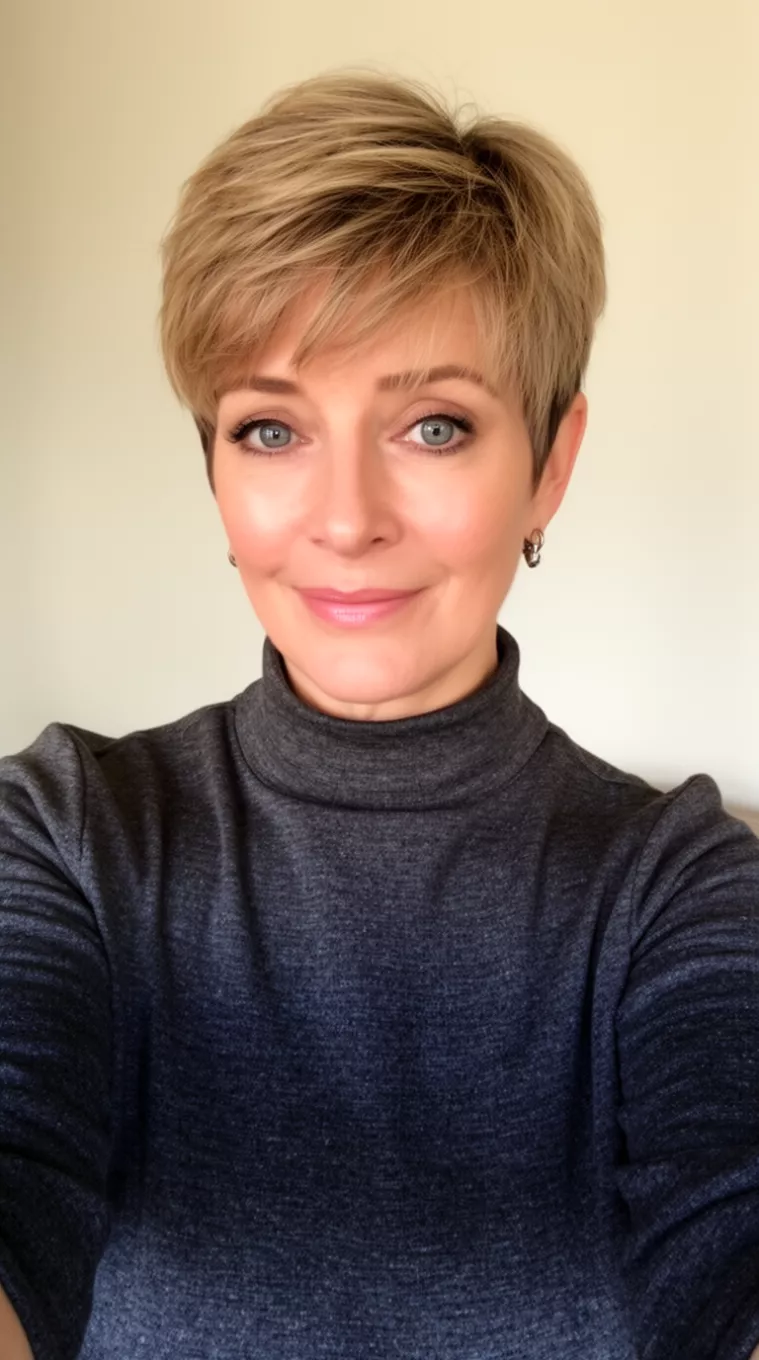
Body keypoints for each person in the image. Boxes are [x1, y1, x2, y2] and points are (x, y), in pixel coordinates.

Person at [0, 67, 757, 1360]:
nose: (344, 520)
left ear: (548, 466)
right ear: (214, 473)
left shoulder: (681, 885)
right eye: (270, 432)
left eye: (433, 425)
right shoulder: (67, 833)